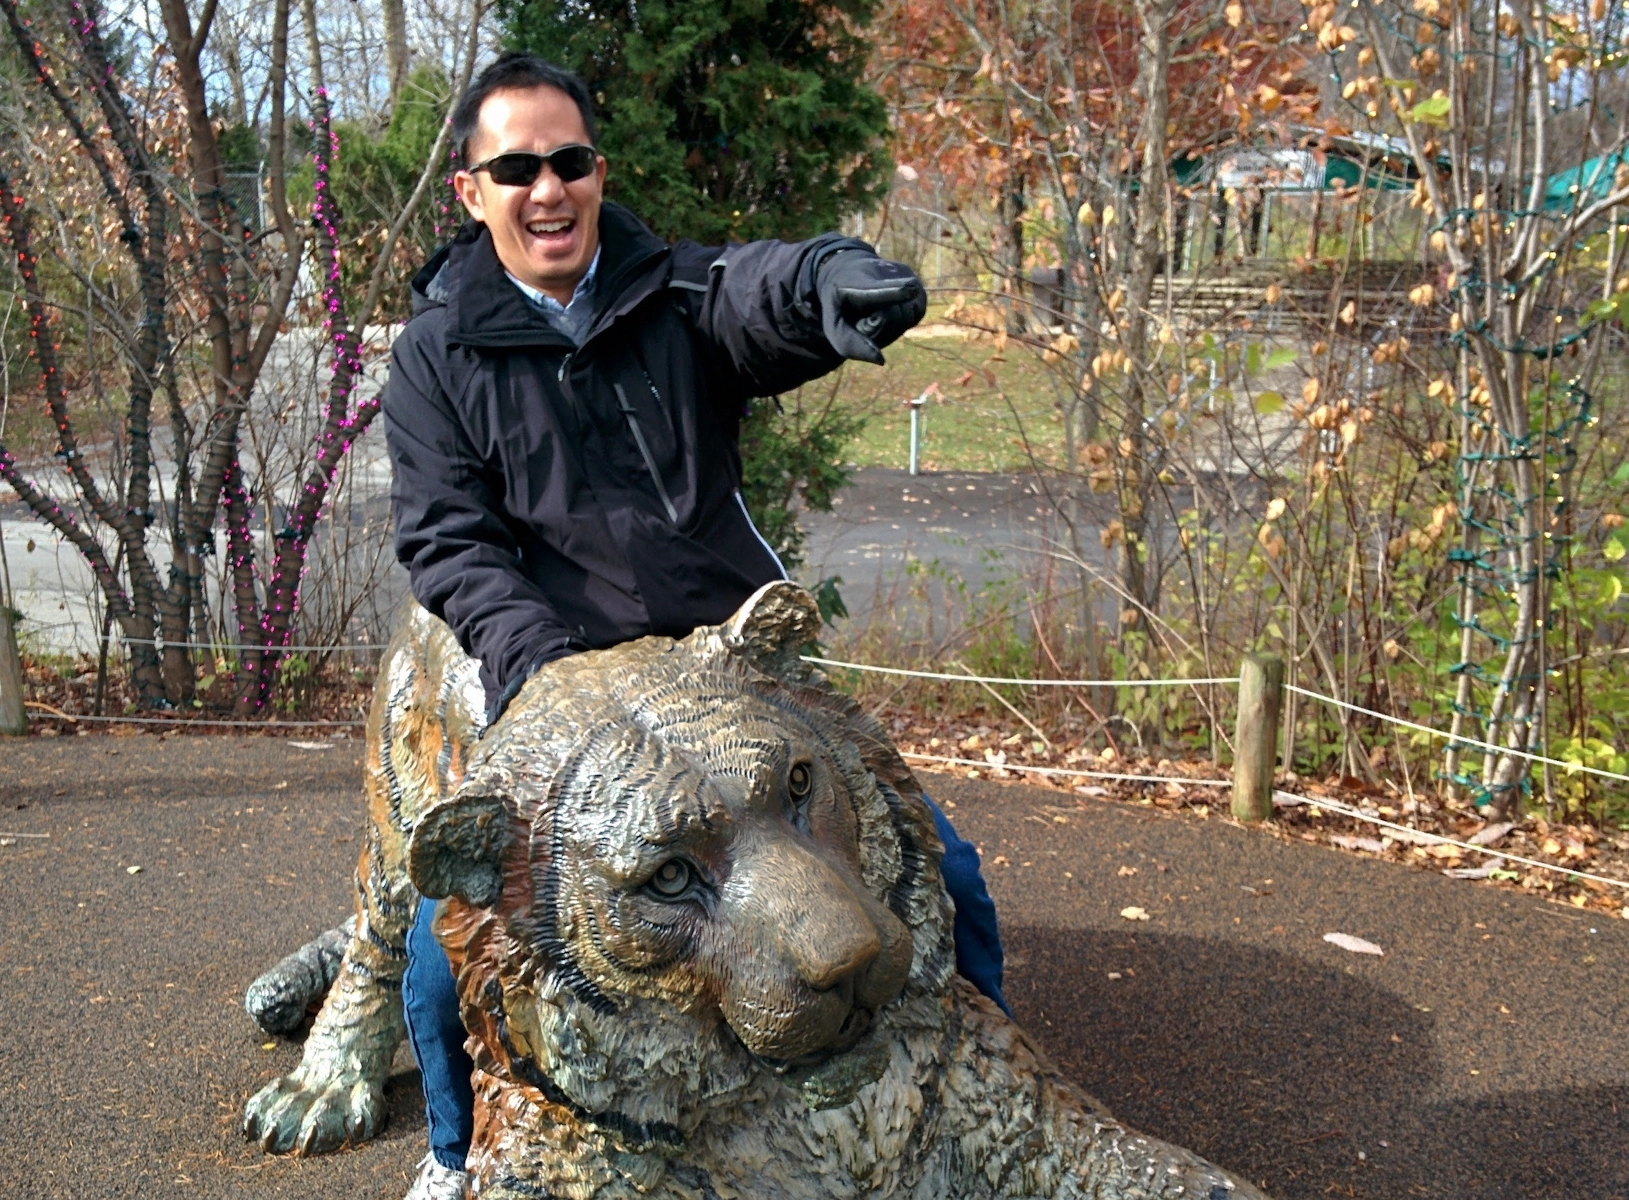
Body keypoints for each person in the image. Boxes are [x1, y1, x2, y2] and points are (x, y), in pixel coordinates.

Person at [382, 52, 1007, 1200]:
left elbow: (751, 294)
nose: (549, 190)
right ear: (471, 190)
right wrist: (543, 676)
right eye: (516, 167)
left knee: (949, 876)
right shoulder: (433, 357)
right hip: (561, 691)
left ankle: (970, 1075)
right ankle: (453, 1147)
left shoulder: (668, 291)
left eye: (569, 162)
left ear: (597, 172)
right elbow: (446, 539)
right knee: (444, 953)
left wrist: (828, 280)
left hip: (724, 672)